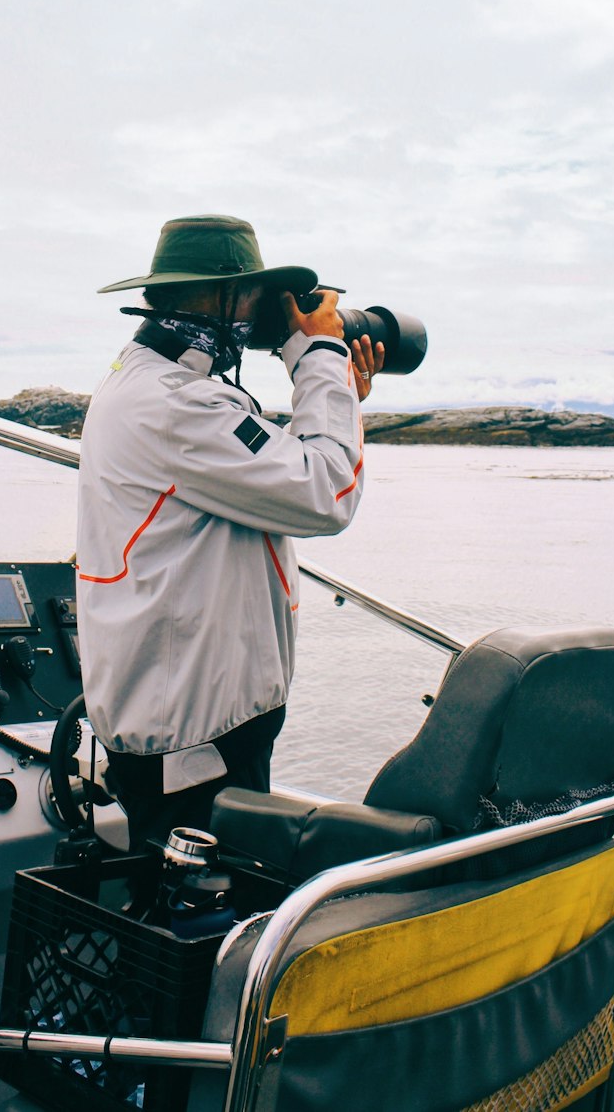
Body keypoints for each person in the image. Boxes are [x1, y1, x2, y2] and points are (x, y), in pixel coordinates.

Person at [75, 214, 382, 849]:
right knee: (196, 933)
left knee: (189, 921)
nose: (268, 310)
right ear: (215, 295)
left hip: (192, 730)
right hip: (195, 750)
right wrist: (318, 356)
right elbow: (325, 494)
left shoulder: (164, 387)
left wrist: (341, 397)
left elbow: (277, 477)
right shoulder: (177, 406)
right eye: (254, 292)